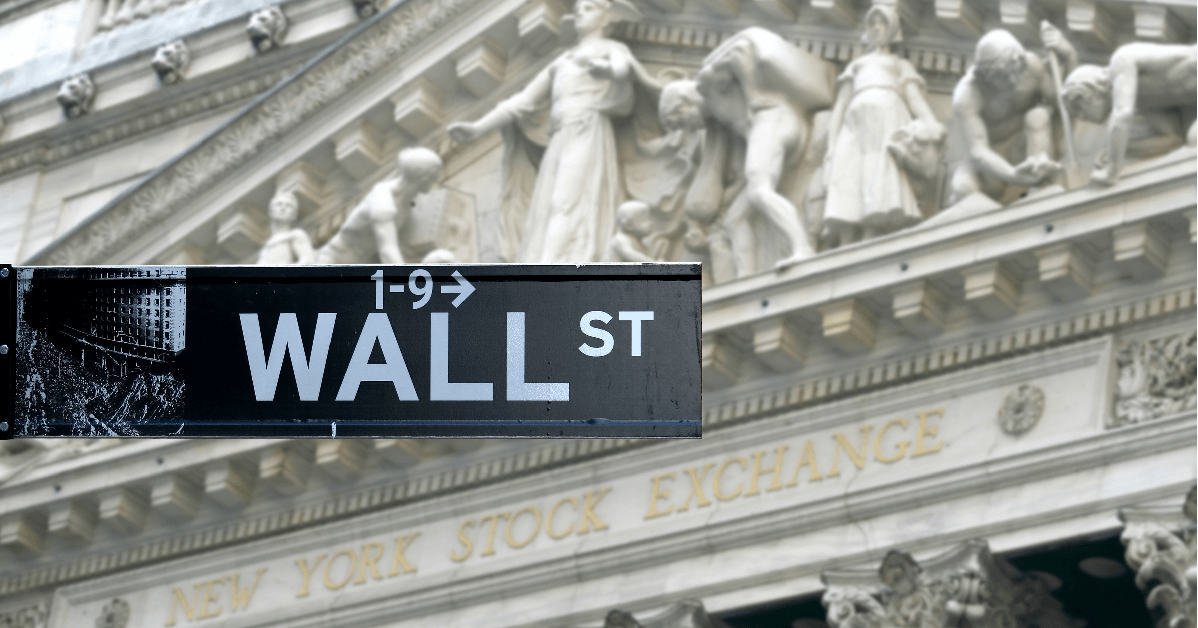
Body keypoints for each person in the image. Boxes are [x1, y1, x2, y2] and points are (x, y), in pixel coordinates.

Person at [447, 0, 658, 264]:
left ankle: (551, 267)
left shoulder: (611, 48)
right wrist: (478, 128)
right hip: (561, 136)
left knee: (564, 201)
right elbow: (522, 101)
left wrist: (609, 71)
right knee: (548, 206)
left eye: (590, 8)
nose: (580, 12)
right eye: (578, 9)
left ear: (606, 18)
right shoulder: (562, 62)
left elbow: (622, 68)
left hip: (586, 129)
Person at [693, 27, 835, 270]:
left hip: (773, 122)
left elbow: (738, 53)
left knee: (760, 190)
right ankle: (747, 280)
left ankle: (802, 247)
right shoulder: (717, 118)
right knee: (734, 219)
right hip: (777, 130)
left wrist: (753, 94)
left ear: (681, 103)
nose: (679, 126)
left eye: (674, 118)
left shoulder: (706, 86)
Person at [822, 5, 944, 245]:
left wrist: (932, 124)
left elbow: (915, 98)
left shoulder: (899, 64)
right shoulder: (857, 65)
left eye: (883, 23)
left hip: (887, 119)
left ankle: (872, 230)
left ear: (893, 29)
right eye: (873, 23)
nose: (877, 28)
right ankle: (850, 235)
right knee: (849, 173)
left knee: (880, 171)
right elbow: (840, 106)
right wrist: (831, 146)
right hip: (855, 125)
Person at [945, 24, 1077, 209]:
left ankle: (1041, 188)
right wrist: (1013, 174)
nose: (1013, 81)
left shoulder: (1031, 67)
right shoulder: (967, 95)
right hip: (991, 159)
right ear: (983, 76)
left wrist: (1070, 57)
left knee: (1038, 115)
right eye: (1003, 77)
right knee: (963, 189)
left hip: (1025, 147)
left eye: (1015, 71)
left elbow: (1066, 106)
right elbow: (978, 151)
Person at [1062, 43, 1196, 185]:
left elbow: (1122, 114)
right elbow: (1173, 139)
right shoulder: (1143, 100)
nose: (1082, 118)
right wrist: (1124, 148)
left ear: (1087, 95)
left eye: (1078, 111)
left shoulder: (1120, 61)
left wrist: (1112, 169)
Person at [315, 148, 442, 264]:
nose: (436, 179)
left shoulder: (405, 199)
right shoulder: (383, 204)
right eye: (434, 175)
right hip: (333, 263)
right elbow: (387, 250)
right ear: (423, 178)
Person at [256, 190, 314, 265]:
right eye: (279, 204)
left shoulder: (296, 235)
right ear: (271, 211)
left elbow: (308, 262)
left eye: (288, 206)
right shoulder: (265, 249)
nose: (283, 208)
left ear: (293, 215)